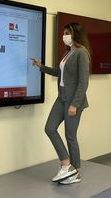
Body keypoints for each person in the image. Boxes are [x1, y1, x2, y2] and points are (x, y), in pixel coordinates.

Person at [32, 22, 91, 185]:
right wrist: (41, 67)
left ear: (75, 34)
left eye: (67, 32)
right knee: (49, 128)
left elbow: (83, 82)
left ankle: (75, 171)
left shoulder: (81, 53)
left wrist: (75, 104)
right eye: (64, 32)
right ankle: (66, 164)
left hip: (74, 101)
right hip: (61, 97)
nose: (64, 36)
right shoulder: (67, 53)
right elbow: (60, 73)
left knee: (70, 136)